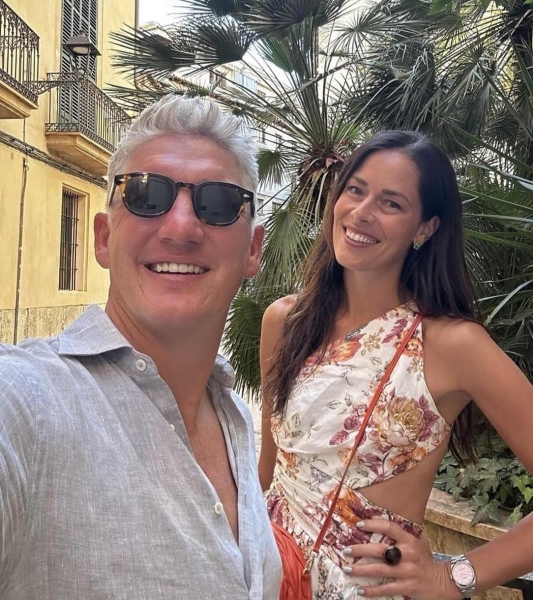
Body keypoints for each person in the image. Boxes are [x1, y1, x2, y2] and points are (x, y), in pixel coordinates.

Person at [0, 94, 281, 599]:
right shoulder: (28, 404)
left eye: (218, 203)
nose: (181, 227)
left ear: (253, 250)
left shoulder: (233, 413)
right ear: (103, 238)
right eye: (146, 195)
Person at [259, 130, 533, 600]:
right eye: (355, 190)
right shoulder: (286, 321)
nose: (362, 212)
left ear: (425, 228)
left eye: (391, 203)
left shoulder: (452, 344)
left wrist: (453, 577)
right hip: (267, 573)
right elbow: (266, 473)